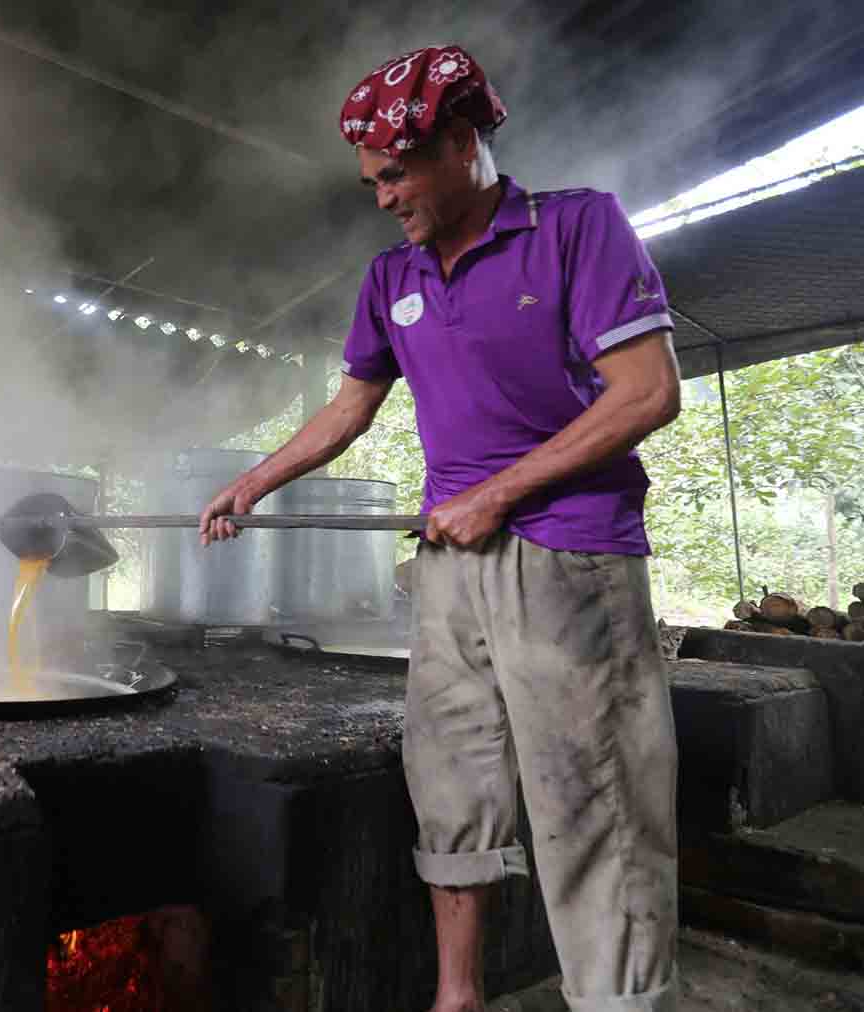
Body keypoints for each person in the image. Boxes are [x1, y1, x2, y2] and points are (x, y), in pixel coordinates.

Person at [198, 45, 682, 1012]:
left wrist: (499, 493)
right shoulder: (393, 278)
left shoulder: (576, 227)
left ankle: (623, 1003)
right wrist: (252, 481)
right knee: (451, 778)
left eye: (395, 174)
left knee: (593, 800)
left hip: (569, 555)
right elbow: (348, 412)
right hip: (450, 564)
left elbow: (649, 392)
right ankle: (456, 999)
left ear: (462, 143)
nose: (381, 197)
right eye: (371, 180)